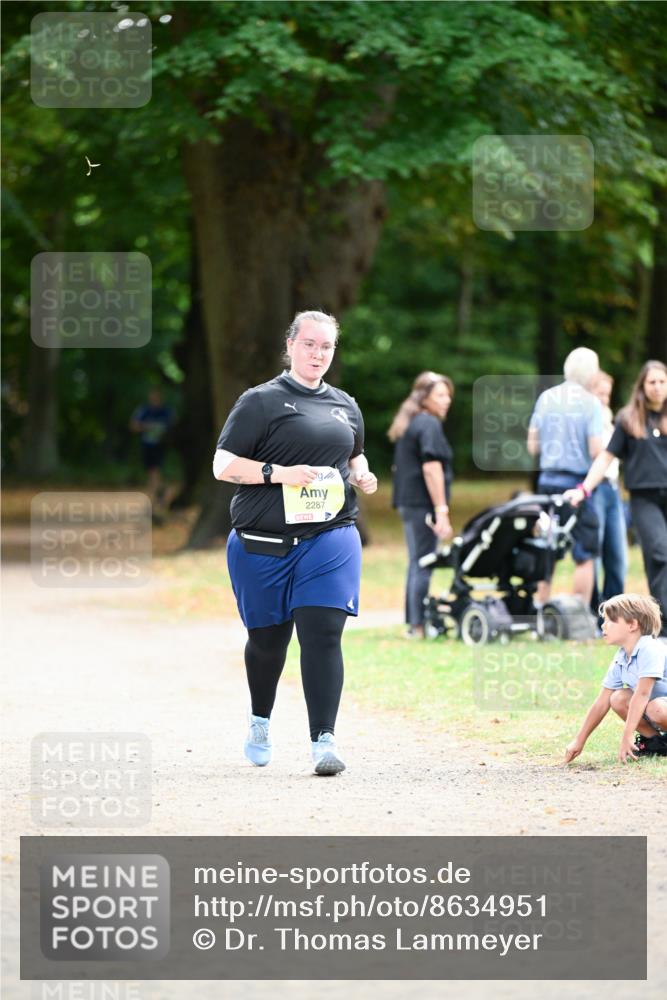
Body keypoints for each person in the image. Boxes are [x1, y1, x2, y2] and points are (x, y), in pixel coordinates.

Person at [212, 310, 377, 775]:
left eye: (326, 347)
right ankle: (260, 720)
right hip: (263, 542)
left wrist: (362, 474)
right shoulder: (260, 402)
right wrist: (277, 474)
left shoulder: (345, 404)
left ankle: (324, 741)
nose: (318, 354)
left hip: (331, 535)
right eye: (309, 344)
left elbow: (354, 453)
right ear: (290, 346)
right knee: (268, 642)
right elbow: (222, 465)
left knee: (323, 633)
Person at [565, 360, 667, 637]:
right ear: (642, 387)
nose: (658, 387)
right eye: (652, 382)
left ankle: (660, 620)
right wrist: (584, 489)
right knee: (660, 552)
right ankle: (664, 624)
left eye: (662, 381)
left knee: (659, 559)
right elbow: (606, 457)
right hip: (644, 498)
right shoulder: (628, 420)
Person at [527, 347, 604, 606]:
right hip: (577, 486)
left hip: (547, 482)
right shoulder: (591, 403)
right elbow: (596, 450)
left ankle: (540, 607)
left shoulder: (546, 398)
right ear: (592, 374)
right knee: (584, 552)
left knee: (546, 545)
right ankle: (581, 612)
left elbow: (532, 446)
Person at [388, 372, 454, 639]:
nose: (447, 400)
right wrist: (441, 510)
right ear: (424, 397)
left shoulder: (412, 423)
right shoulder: (428, 424)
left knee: (417, 562)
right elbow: (431, 469)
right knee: (424, 562)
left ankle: (414, 624)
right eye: (440, 394)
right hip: (422, 504)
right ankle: (417, 626)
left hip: (409, 503)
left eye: (448, 394)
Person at [564, 593, 667, 764]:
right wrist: (579, 740)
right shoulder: (622, 656)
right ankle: (657, 743)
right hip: (656, 706)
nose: (603, 626)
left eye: (610, 621)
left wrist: (626, 736)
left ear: (632, 624)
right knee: (617, 698)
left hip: (659, 707)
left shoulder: (650, 648)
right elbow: (602, 702)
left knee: (655, 708)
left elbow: (642, 694)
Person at [589, 370, 627, 612]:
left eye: (607, 394)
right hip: (595, 489)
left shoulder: (609, 419)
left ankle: (614, 610)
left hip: (612, 489)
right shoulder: (588, 420)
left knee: (618, 555)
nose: (603, 399)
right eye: (599, 393)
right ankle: (594, 609)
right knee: (594, 552)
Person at [130, 387, 173, 508]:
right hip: (147, 446)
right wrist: (146, 427)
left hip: (160, 446)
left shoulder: (166, 412)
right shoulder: (144, 411)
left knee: (155, 471)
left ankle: (154, 500)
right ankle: (159, 492)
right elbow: (133, 425)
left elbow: (172, 427)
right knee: (152, 472)